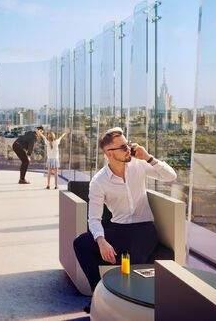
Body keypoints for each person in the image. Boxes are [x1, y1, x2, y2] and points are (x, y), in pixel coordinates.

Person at [72, 127, 176, 312]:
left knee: (134, 260)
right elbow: (94, 218)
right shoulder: (99, 181)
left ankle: (127, 304)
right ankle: (98, 295)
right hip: (118, 229)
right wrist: (102, 241)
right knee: (81, 243)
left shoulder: (139, 164)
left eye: (128, 144)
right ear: (109, 154)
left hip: (144, 228)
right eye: (123, 147)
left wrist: (148, 157)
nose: (128, 149)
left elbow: (170, 176)